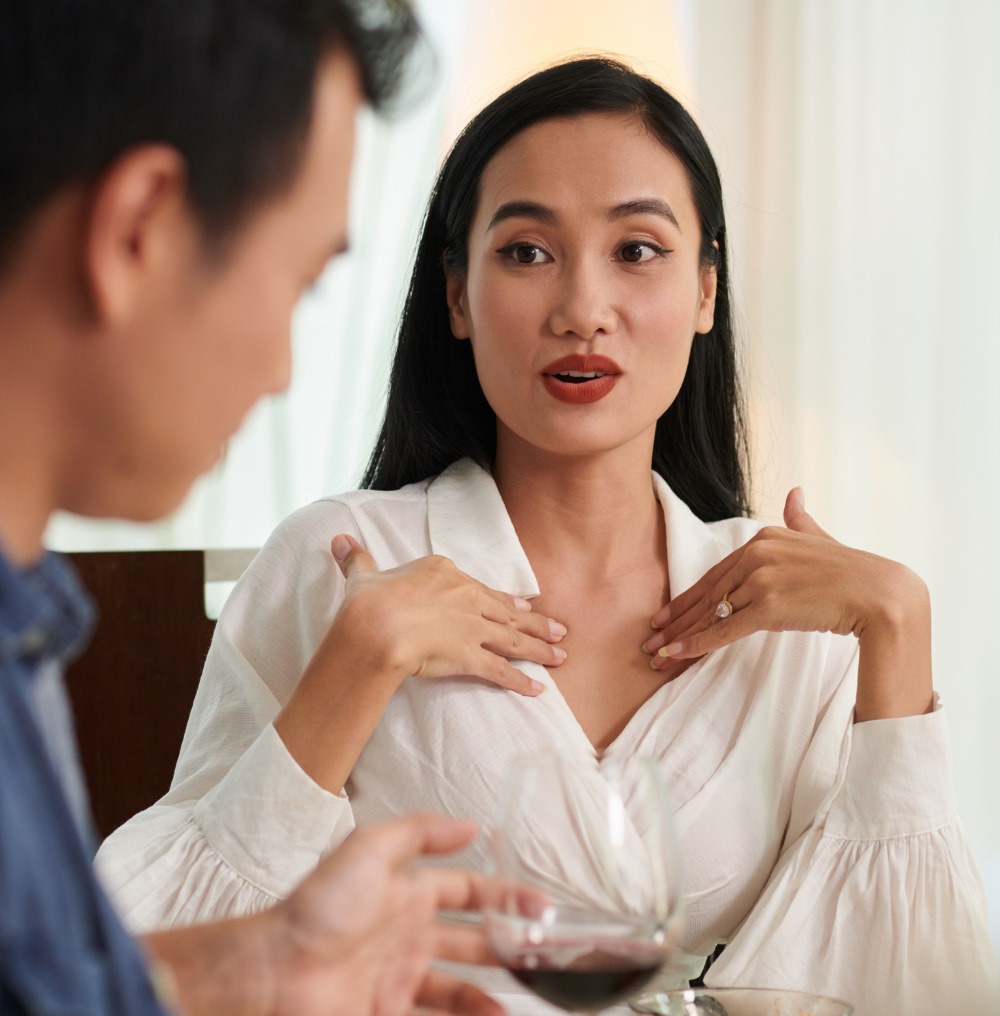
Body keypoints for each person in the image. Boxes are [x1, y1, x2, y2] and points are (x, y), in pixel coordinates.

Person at [98, 58, 998, 1016]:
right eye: (527, 251)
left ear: (705, 292)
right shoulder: (338, 562)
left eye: (638, 249)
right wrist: (357, 663)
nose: (581, 311)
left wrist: (897, 629)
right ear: (455, 295)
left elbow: (902, 988)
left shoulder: (791, 615)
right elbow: (151, 964)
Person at [0, 0, 563, 1013]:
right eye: (300, 282)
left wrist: (257, 968)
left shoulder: (0, 618)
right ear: (138, 229)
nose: (280, 372)